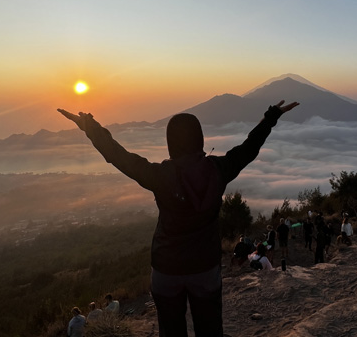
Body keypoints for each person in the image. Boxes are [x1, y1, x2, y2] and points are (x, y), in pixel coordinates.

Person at [59, 99, 299, 337]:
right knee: (210, 328)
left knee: (171, 329)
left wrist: (90, 127)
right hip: (205, 266)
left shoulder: (160, 175)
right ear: (200, 139)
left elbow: (119, 156)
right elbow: (250, 147)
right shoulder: (219, 169)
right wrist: (271, 117)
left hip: (167, 268)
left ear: (170, 142)